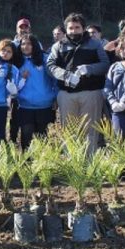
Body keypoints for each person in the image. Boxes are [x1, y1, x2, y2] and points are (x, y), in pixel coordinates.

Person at [46, 13, 110, 151]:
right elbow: (50, 65)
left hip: (91, 93)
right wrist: (65, 75)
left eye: (77, 27)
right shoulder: (59, 46)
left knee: (90, 132)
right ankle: (71, 166)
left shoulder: (95, 44)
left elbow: (105, 64)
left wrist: (90, 68)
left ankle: (88, 167)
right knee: (68, 132)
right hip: (66, 94)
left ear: (83, 28)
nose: (74, 31)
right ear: (66, 29)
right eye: (70, 28)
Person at [16, 34, 57, 149]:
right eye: (23, 44)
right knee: (26, 135)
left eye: (29, 44)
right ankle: (26, 162)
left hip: (44, 104)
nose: (26, 46)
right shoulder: (17, 61)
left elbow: (55, 79)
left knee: (42, 136)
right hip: (25, 105)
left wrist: (55, 97)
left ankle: (42, 163)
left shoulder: (45, 59)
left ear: (35, 45)